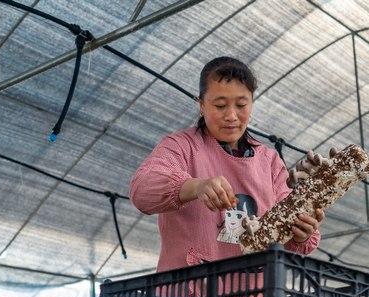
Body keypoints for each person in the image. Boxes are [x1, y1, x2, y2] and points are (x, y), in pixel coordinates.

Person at [130, 56, 330, 273]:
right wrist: (196, 187)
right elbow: (142, 190)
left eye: (241, 105)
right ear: (201, 105)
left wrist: (302, 231)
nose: (231, 116)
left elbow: (293, 242)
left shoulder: (269, 162)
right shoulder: (181, 146)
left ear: (251, 104)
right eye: (220, 105)